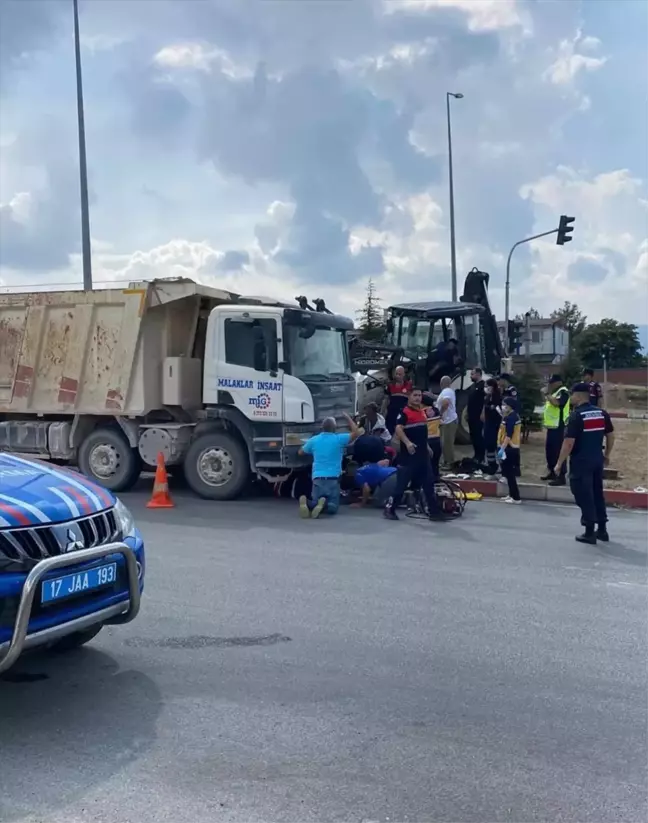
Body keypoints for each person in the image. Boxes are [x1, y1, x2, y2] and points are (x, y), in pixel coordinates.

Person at [554, 382, 615, 544]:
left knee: (582, 493)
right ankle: (602, 530)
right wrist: (607, 454)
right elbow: (610, 435)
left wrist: (559, 463)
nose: (571, 398)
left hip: (581, 462)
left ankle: (589, 531)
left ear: (579, 396)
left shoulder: (576, 415)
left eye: (572, 395)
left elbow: (568, 443)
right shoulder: (601, 413)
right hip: (597, 460)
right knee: (596, 493)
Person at [383, 386, 451, 522]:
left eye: (419, 395)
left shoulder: (421, 412)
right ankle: (390, 508)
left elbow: (422, 433)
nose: (417, 398)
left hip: (422, 456)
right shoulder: (404, 413)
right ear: (409, 397)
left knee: (428, 484)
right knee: (401, 486)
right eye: (415, 395)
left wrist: (427, 447)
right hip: (409, 457)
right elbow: (398, 429)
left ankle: (434, 512)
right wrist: (407, 443)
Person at [298, 413, 360, 518]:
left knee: (315, 500)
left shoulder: (314, 440)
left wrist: (308, 448)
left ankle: (310, 504)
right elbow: (356, 432)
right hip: (333, 478)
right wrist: (347, 417)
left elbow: (300, 452)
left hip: (317, 477)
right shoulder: (339, 439)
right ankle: (325, 504)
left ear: (322, 428)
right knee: (333, 507)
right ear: (335, 428)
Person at [541, 374, 570, 486]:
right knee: (550, 451)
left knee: (558, 451)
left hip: (560, 426)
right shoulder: (554, 392)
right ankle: (552, 472)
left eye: (552, 383)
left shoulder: (563, 391)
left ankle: (561, 476)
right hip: (552, 427)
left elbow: (557, 403)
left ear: (558, 382)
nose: (551, 385)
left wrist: (547, 393)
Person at [498, 396, 522, 504]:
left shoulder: (511, 418)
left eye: (504, 405)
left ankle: (516, 498)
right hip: (510, 447)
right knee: (508, 473)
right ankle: (511, 494)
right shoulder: (511, 416)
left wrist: (502, 449)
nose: (503, 407)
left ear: (509, 406)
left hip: (510, 448)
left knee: (510, 474)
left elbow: (508, 435)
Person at [383, 365, 412, 435]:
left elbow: (411, 400)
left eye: (400, 374)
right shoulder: (390, 385)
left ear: (404, 374)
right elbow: (386, 400)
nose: (398, 376)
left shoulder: (409, 385)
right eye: (396, 374)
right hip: (391, 414)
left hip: (403, 413)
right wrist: (383, 413)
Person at [482, 377, 502, 475]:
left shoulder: (497, 398)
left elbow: (499, 413)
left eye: (487, 386)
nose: (485, 388)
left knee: (494, 445)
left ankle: (500, 466)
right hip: (488, 424)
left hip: (495, 425)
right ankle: (491, 464)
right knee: (488, 445)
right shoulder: (487, 397)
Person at [437, 375, 458, 468]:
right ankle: (446, 461)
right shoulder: (447, 391)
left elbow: (445, 403)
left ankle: (450, 463)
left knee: (447, 443)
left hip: (449, 421)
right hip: (448, 421)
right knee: (445, 443)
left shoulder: (447, 391)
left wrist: (440, 414)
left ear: (442, 383)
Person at [467, 367, 485, 464]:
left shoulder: (483, 386)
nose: (471, 376)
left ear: (478, 374)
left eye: (472, 374)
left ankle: (481, 456)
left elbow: (484, 401)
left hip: (478, 416)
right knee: (473, 437)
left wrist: (483, 412)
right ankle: (476, 455)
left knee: (478, 437)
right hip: (471, 416)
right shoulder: (473, 386)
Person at [422, 392, 442, 479]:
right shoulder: (436, 410)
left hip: (428, 441)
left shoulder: (422, 413)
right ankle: (436, 478)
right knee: (435, 463)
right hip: (437, 439)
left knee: (427, 464)